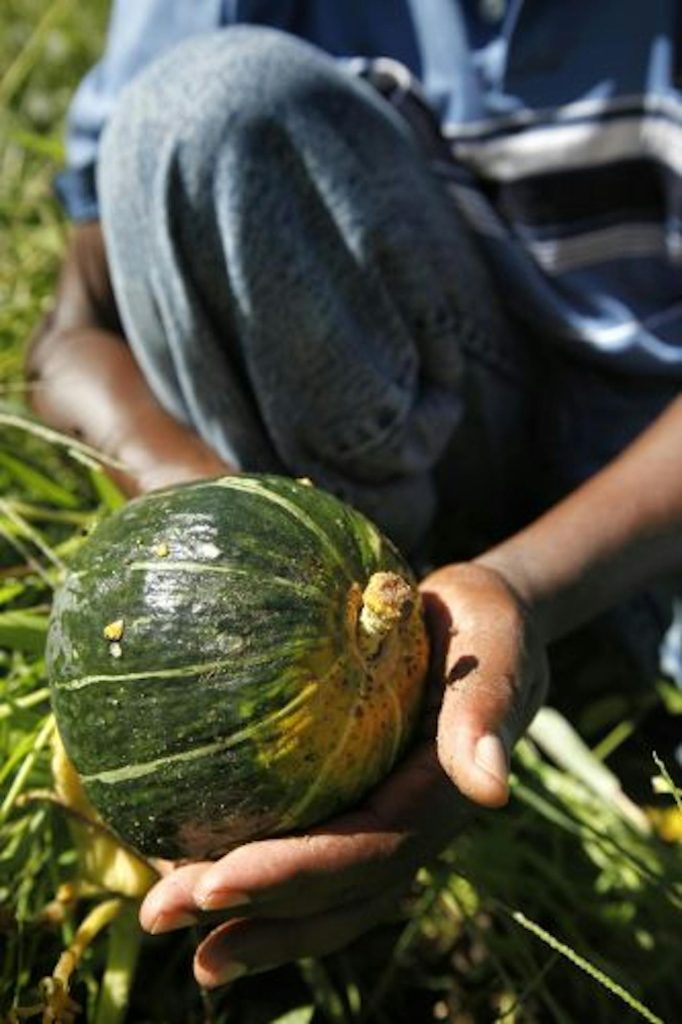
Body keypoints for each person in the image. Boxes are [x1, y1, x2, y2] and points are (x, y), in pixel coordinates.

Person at [27, 0, 682, 988]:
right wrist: (233, 534)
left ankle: (567, 629)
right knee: (204, 108)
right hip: (370, 465)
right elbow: (73, 326)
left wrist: (520, 584)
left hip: (647, 470)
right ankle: (365, 733)